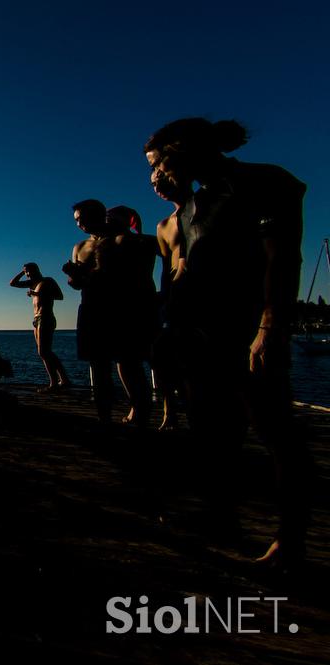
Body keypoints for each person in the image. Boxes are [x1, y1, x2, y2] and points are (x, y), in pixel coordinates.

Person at [144, 117, 311, 571]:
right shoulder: (195, 205)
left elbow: (282, 256)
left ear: (180, 152)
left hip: (248, 330)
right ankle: (222, 519)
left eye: (159, 165)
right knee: (214, 433)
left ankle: (290, 541)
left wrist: (270, 326)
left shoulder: (262, 182)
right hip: (201, 335)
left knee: (275, 432)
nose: (156, 176)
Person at [62, 199, 119, 424]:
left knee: (126, 362)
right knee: (97, 364)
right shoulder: (79, 247)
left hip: (117, 307)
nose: (80, 224)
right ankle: (103, 416)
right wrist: (73, 275)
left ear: (99, 215)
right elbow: (75, 284)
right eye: (77, 220)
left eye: (83, 219)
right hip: (90, 308)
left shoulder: (118, 241)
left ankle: (139, 412)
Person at [106, 205, 158, 427]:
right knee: (126, 361)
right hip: (120, 306)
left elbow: (172, 259)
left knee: (153, 359)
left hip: (144, 302)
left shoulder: (145, 241)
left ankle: (164, 409)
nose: (108, 221)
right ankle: (138, 406)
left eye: (111, 218)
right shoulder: (106, 244)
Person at [150, 168, 192, 430]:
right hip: (174, 300)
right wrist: (163, 300)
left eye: (163, 178)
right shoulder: (163, 226)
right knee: (163, 362)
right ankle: (170, 412)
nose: (158, 186)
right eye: (154, 183)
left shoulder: (208, 210)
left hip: (205, 297)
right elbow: (166, 268)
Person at [9, 263, 70, 391]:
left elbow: (60, 296)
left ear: (36, 269)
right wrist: (22, 272)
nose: (27, 274)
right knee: (43, 353)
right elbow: (12, 283)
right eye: (26, 272)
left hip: (46, 317)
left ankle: (57, 382)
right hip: (36, 319)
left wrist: (37, 294)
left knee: (44, 351)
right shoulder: (31, 283)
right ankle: (62, 380)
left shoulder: (47, 281)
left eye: (29, 271)